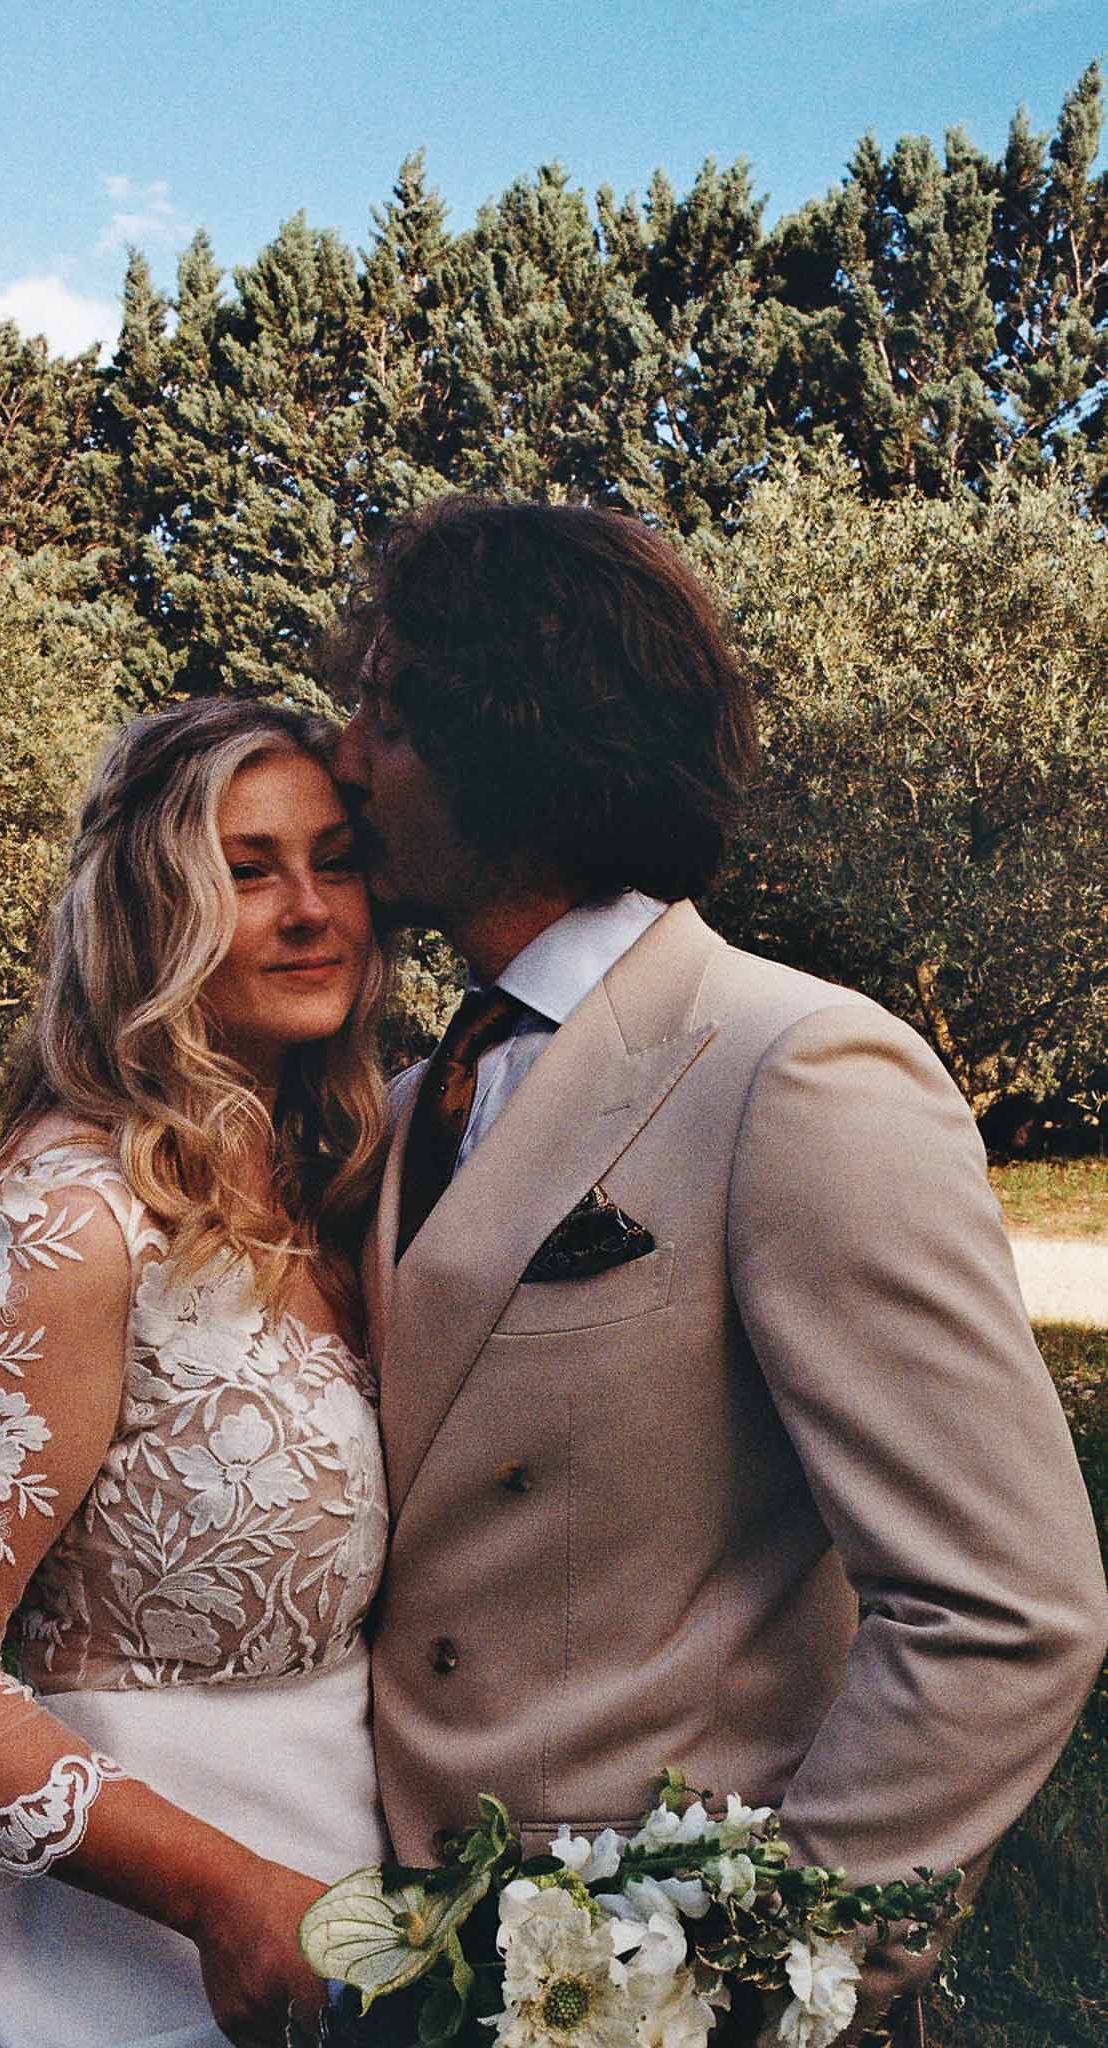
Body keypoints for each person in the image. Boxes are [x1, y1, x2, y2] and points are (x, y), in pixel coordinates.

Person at [322, 496, 1108, 2048]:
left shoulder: (797, 1069)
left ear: (514, 746)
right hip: (382, 1954)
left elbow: (1001, 1610)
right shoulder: (406, 1105)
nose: (346, 756)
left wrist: (739, 1982)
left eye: (391, 716)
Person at [0, 696, 394, 2048]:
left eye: (336, 860)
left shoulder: (338, 1181)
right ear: (147, 909)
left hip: (352, 1904)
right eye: (246, 873)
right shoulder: (69, 1224)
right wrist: (229, 1900)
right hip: (131, 1959)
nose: (310, 909)